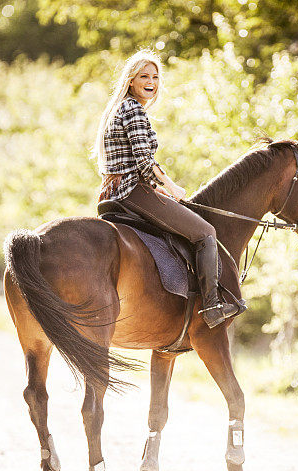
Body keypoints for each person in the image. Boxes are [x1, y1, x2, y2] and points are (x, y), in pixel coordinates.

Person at [94, 50, 238, 329]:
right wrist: (171, 187)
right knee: (206, 232)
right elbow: (144, 161)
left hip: (115, 192)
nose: (151, 82)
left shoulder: (117, 109)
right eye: (144, 76)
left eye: (155, 77)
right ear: (131, 81)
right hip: (131, 191)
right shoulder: (133, 109)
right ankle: (211, 307)